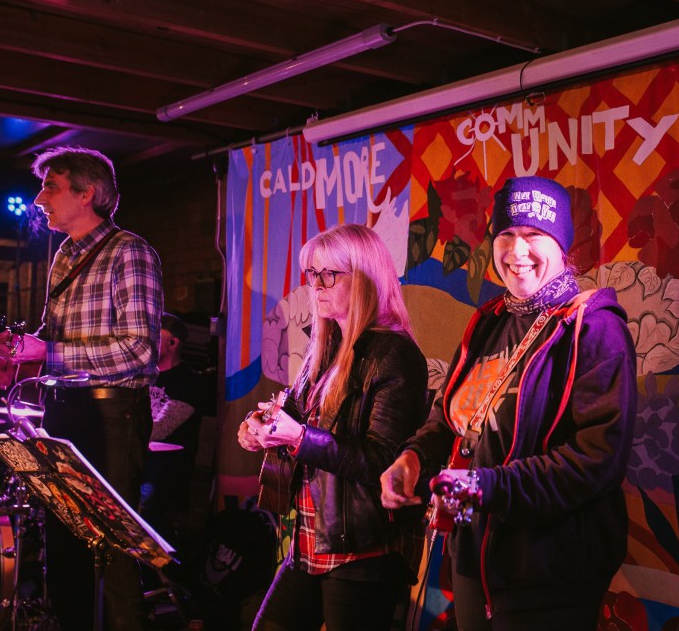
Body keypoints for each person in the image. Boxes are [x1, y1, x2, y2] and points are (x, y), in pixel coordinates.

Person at [380, 175, 637, 631]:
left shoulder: (593, 326)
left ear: (562, 245)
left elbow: (597, 458)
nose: (518, 250)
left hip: (549, 572)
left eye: (534, 234)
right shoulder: (489, 321)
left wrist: (487, 487)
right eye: (507, 234)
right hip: (473, 559)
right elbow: (450, 418)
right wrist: (412, 458)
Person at [0, 145, 163, 631]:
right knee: (64, 542)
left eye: (51, 186)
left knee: (111, 547)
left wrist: (49, 353)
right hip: (65, 408)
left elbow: (139, 351)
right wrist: (26, 350)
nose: (39, 198)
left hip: (112, 414)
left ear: (87, 194)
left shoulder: (130, 251)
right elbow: (56, 339)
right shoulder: (65, 253)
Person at [237, 223, 429, 631]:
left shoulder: (393, 353)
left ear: (365, 279)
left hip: (363, 547)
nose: (317, 286)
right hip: (312, 540)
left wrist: (299, 438)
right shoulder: (324, 346)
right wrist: (259, 425)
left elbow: (382, 460)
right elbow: (291, 412)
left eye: (329, 274)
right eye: (312, 273)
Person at [140, 311, 206, 546]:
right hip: (141, 462)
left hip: (166, 470)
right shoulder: (143, 376)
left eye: (155, 336)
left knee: (143, 509)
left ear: (172, 343)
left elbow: (161, 428)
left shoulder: (188, 382)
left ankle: (164, 563)